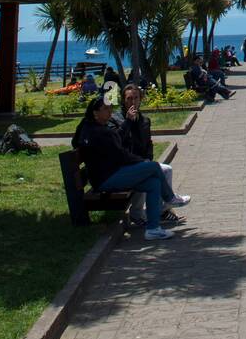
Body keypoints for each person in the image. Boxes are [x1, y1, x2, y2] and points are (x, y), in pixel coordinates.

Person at [71, 95, 190, 241]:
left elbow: (82, 141)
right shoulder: (99, 132)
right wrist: (143, 162)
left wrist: (127, 122)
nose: (109, 112)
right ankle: (170, 198)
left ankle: (153, 229)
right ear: (95, 113)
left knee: (154, 183)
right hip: (106, 178)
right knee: (153, 167)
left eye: (110, 108)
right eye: (105, 109)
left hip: (109, 173)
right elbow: (122, 156)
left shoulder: (91, 126)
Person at [118, 84, 183, 228]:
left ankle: (163, 209)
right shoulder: (119, 119)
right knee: (147, 174)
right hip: (125, 164)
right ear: (124, 100)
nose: (133, 102)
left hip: (141, 160)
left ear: (141, 99)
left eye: (136, 98)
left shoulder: (144, 120)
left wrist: (148, 158)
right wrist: (128, 122)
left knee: (167, 169)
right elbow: (118, 141)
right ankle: (137, 214)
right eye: (129, 98)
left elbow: (147, 143)